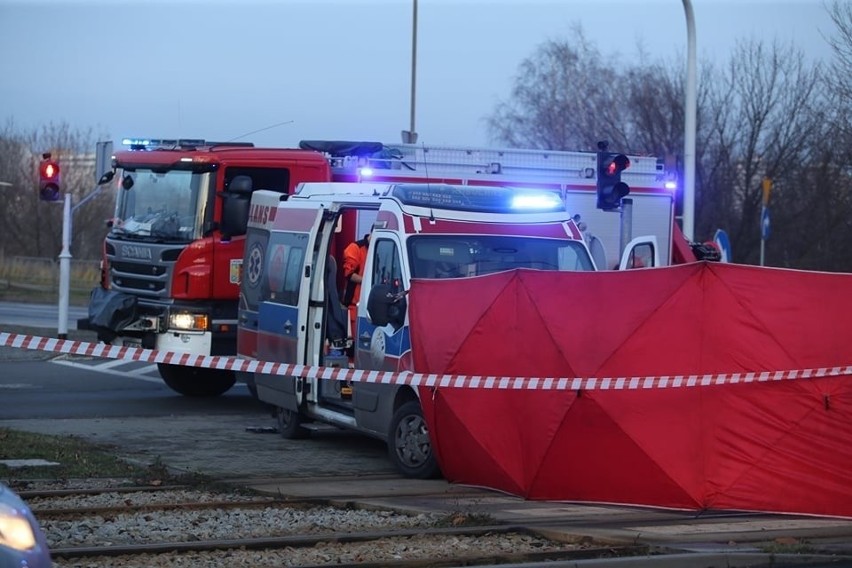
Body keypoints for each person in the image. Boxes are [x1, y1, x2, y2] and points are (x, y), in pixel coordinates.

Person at [342, 233, 370, 338]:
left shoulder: (379, 247)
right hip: (354, 306)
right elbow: (348, 274)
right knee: (353, 344)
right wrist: (368, 281)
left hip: (370, 306)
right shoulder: (355, 248)